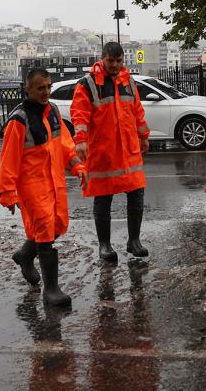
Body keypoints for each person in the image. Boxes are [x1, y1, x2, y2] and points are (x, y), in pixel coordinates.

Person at [0, 68, 84, 307]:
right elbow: (9, 158)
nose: (46, 92)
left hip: (54, 182)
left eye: (48, 87)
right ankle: (52, 290)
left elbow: (66, 145)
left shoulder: (53, 112)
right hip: (32, 187)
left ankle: (25, 255)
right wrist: (7, 192)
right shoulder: (19, 120)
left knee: (55, 226)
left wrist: (78, 167)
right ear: (28, 90)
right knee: (45, 232)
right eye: (40, 88)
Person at [71, 42, 151, 263]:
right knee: (103, 198)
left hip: (129, 151)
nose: (115, 65)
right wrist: (80, 141)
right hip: (104, 152)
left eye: (118, 61)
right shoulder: (87, 85)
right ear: (102, 58)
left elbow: (137, 111)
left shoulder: (128, 82)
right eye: (110, 61)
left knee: (136, 195)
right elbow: (80, 115)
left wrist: (144, 136)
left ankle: (134, 241)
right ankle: (104, 245)